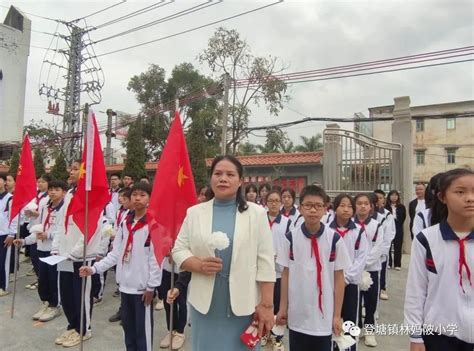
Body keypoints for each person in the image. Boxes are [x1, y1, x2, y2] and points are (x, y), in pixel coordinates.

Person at [172, 155, 276, 351]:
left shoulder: (256, 214)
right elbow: (178, 250)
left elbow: (266, 262)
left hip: (244, 303)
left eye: (230, 174)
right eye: (218, 174)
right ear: (211, 179)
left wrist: (267, 305)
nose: (223, 178)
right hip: (206, 305)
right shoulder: (194, 213)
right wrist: (198, 265)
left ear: (240, 181)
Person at [80, 182, 162, 351]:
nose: (137, 198)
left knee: (142, 331)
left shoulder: (153, 224)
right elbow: (116, 253)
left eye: (142, 195)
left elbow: (155, 258)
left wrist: (151, 286)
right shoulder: (126, 223)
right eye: (134, 195)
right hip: (125, 285)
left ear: (149, 199)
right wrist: (95, 268)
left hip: (142, 288)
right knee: (128, 328)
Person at [404, 168, 474, 351]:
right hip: (439, 334)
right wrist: (416, 336)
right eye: (460, 192)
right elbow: (416, 292)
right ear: (442, 197)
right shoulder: (426, 240)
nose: (470, 198)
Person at [276, 185, 350, 351]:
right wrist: (282, 308)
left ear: (325, 209)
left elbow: (339, 278)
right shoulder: (291, 238)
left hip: (324, 316)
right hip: (298, 314)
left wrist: (337, 315)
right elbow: (286, 274)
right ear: (300, 208)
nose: (313, 210)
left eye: (318, 206)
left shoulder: (334, 239)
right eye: (308, 205)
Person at [51, 160, 105, 347]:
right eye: (71, 168)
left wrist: (74, 252)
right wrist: (56, 247)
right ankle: (72, 325)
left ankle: (84, 329)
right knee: (66, 294)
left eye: (76, 169)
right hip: (64, 254)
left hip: (82, 255)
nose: (71, 172)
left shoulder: (92, 196)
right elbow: (61, 223)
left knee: (81, 294)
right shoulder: (69, 195)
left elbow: (91, 228)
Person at [14, 180, 68, 322]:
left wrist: (49, 235)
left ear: (64, 192)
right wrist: (25, 241)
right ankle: (47, 302)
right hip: (42, 248)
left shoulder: (66, 208)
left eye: (57, 189)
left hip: (55, 251)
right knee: (42, 279)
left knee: (54, 279)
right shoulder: (44, 207)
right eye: (50, 189)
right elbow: (39, 228)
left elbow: (66, 231)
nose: (52, 192)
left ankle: (56, 305)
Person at [330, 194, 368, 351]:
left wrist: (345, 279)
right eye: (342, 205)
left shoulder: (358, 231)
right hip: (330, 283)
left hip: (350, 284)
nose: (346, 209)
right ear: (335, 208)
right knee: (332, 320)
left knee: (350, 322)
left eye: (349, 206)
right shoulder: (327, 230)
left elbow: (361, 258)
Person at [354, 193, 384, 347]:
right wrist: (356, 265)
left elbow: (377, 248)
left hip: (372, 269)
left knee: (371, 301)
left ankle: (370, 330)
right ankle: (357, 327)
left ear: (371, 206)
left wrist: (364, 264)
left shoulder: (376, 226)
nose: (363, 206)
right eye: (359, 203)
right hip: (353, 270)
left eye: (366, 203)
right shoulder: (350, 226)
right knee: (355, 300)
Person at [264, 190, 291, 351]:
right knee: (263, 303)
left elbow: (289, 246)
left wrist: (278, 258)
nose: (273, 203)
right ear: (265, 202)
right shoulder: (260, 220)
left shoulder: (287, 222)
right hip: (262, 271)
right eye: (270, 200)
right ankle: (263, 333)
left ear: (281, 203)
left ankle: (277, 337)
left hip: (279, 272)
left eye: (276, 200)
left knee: (278, 305)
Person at [109, 187, 132, 323]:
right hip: (121, 251)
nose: (120, 199)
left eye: (124, 197)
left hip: (131, 253)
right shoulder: (123, 213)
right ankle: (122, 310)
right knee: (122, 284)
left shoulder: (134, 215)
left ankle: (127, 313)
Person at [159, 255, 188, 350]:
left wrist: (176, 254)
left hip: (182, 269)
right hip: (166, 267)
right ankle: (171, 329)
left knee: (182, 301)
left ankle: (180, 332)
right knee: (168, 300)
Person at [0, 175, 17, 297]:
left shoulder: (10, 198)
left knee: (3, 261)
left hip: (5, 234)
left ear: (4, 182)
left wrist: (12, 233)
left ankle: (3, 286)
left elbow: (14, 217)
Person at [385, 190, 406, 271]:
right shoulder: (386, 207)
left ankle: (397, 264)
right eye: (392, 195)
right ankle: (389, 263)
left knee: (398, 245)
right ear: (389, 196)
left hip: (398, 227)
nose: (394, 197)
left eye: (395, 195)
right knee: (388, 245)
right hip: (388, 228)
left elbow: (403, 217)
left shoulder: (401, 207)